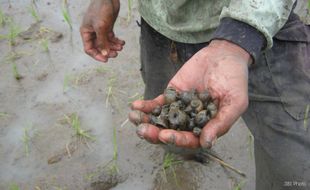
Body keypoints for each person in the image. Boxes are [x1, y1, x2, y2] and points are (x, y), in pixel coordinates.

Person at [80, 0, 310, 189]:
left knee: (291, 168)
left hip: (262, 25)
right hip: (162, 25)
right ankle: (187, 161)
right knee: (171, 133)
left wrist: (238, 40)